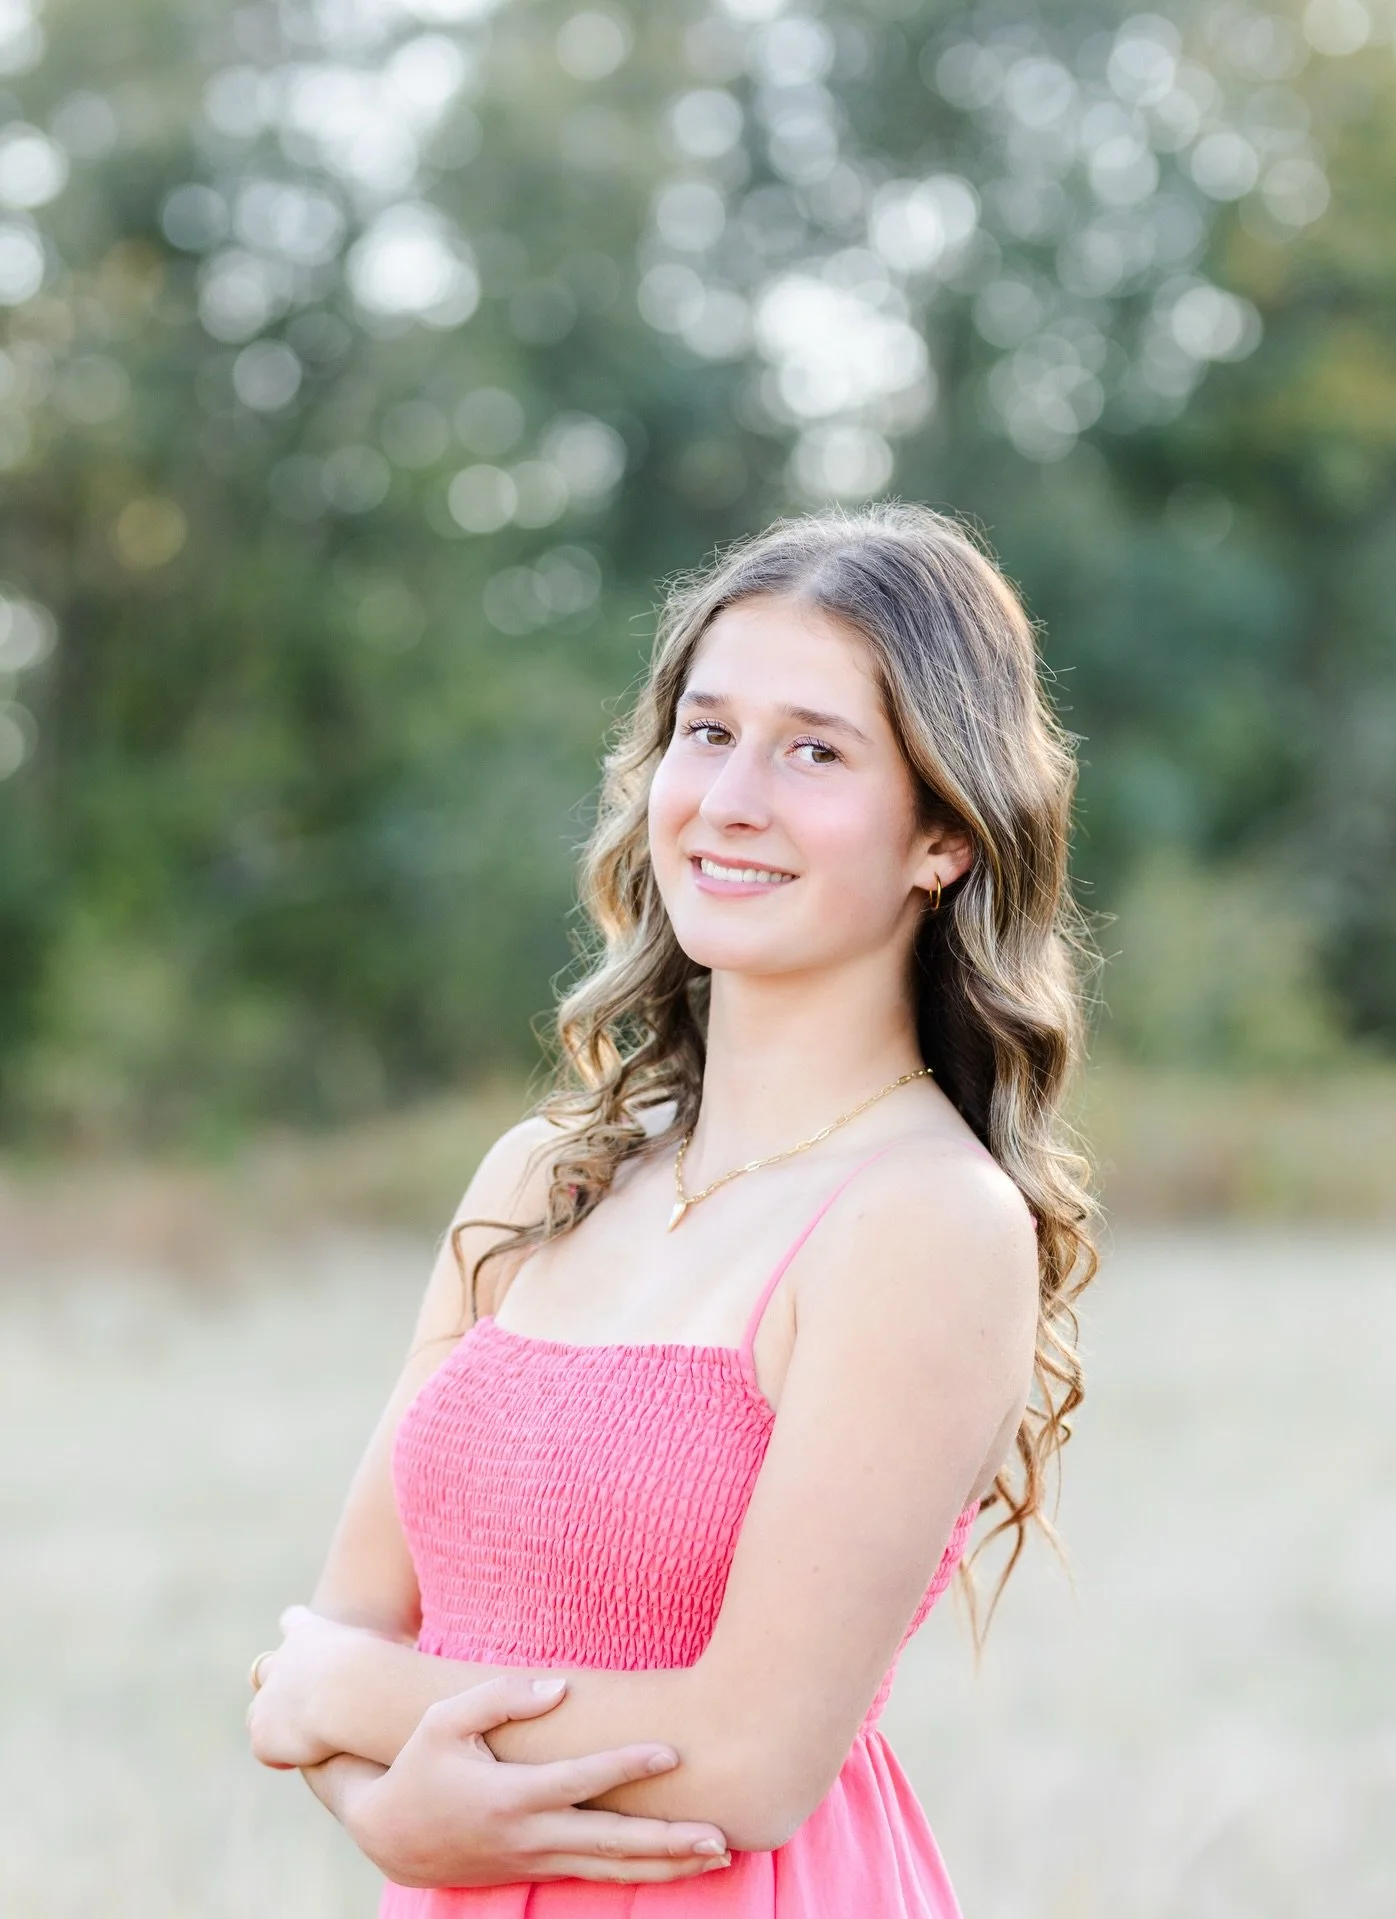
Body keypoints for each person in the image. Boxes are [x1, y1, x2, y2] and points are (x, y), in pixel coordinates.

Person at [246, 502, 1098, 1914]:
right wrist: (394, 1818)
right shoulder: (541, 1178)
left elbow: (753, 1755)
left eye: (816, 751)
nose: (734, 797)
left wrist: (348, 1701)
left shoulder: (928, 1222)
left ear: (943, 832)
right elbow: (334, 1627)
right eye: (709, 733)